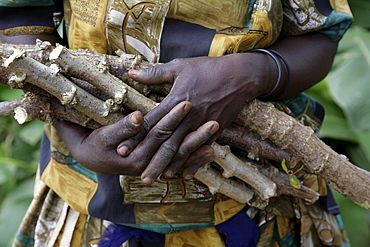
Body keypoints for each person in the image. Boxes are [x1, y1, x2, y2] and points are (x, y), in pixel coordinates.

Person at [0, 0, 353, 246]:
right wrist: (76, 139)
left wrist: (250, 73)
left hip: (258, 202)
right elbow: (21, 14)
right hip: (90, 194)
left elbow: (320, 31)